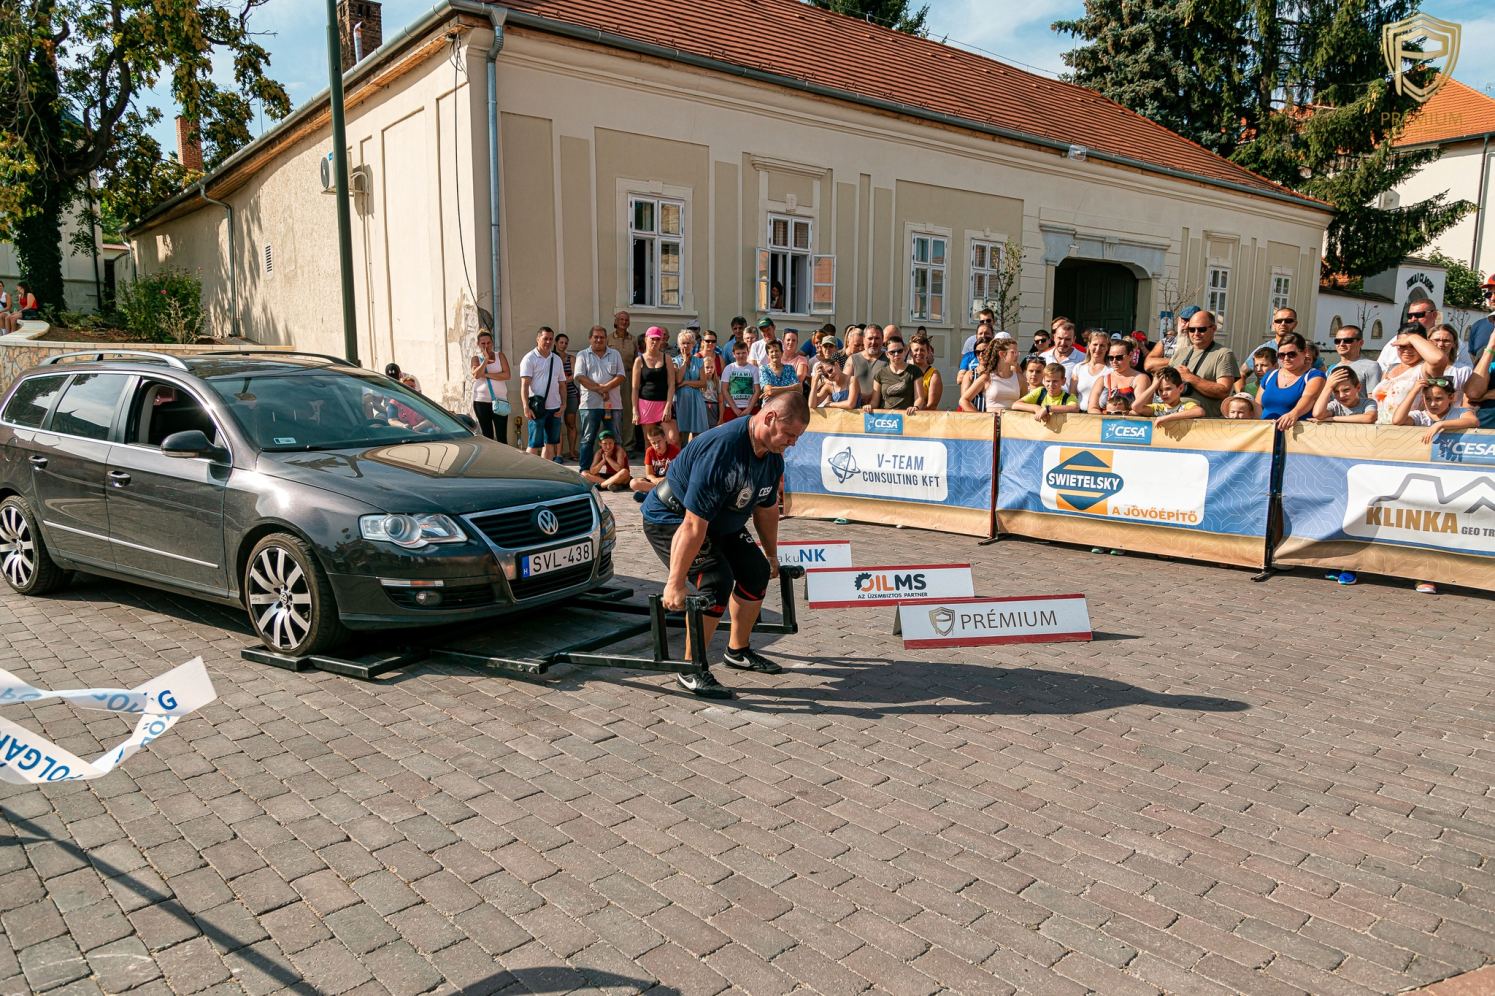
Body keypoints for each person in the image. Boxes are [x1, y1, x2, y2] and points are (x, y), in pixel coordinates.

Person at [640, 390, 811, 698]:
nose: (793, 443)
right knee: (716, 580)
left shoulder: (772, 457)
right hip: (672, 517)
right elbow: (692, 525)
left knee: (756, 571)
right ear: (770, 418)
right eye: (790, 434)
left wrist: (771, 555)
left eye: (797, 437)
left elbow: (766, 509)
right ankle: (691, 669)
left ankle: (737, 650)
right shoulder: (723, 451)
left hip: (718, 519)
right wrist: (675, 583)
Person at [1144, 309, 1238, 417]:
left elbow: (1223, 391)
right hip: (1171, 418)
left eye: (1201, 329)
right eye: (1192, 329)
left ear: (1213, 329)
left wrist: (1190, 378)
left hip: (1202, 421)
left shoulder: (1223, 354)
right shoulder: (1180, 353)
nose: (1196, 333)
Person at [1371, 325, 1448, 425]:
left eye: (1412, 346)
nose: (1407, 350)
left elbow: (1439, 359)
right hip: (1378, 428)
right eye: (1402, 346)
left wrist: (1412, 338)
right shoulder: (1390, 368)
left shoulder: (1424, 369)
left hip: (1408, 430)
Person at [574, 325, 626, 473]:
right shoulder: (582, 355)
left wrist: (606, 388)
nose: (599, 340)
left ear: (606, 339)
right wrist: (600, 389)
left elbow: (621, 376)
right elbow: (580, 377)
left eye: (602, 337)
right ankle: (585, 471)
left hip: (613, 405)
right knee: (587, 439)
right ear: (590, 339)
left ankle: (615, 472)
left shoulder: (615, 354)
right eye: (595, 337)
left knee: (615, 439)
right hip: (590, 405)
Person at [1257, 332, 1325, 431]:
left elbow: (1309, 398)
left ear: (1304, 352)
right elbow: (1257, 405)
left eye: (1291, 354)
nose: (1286, 358)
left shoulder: (1314, 375)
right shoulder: (1270, 375)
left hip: (1296, 434)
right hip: (1266, 434)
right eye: (1281, 355)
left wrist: (1294, 413)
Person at [1381, 301, 1472, 371]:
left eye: (1419, 315)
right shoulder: (1396, 340)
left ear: (1434, 315)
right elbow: (1382, 366)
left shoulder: (1451, 340)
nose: (1413, 319)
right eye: (1410, 315)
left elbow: (1467, 369)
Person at [520, 326, 567, 460]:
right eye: (545, 338)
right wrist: (526, 406)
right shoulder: (529, 358)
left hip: (554, 408)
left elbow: (562, 385)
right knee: (534, 444)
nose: (548, 342)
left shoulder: (556, 359)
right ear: (538, 339)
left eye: (551, 339)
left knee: (550, 444)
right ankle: (530, 471)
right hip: (537, 408)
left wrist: (563, 404)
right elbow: (524, 385)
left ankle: (545, 471)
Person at [633, 326, 677, 446]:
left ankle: (673, 460)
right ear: (646, 339)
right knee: (650, 442)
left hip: (664, 402)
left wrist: (668, 406)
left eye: (658, 339)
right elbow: (635, 388)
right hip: (646, 403)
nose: (655, 342)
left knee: (672, 439)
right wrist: (635, 410)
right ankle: (650, 460)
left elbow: (671, 384)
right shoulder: (639, 360)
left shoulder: (667, 358)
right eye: (652, 339)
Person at [1239, 307, 1302, 389]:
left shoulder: (1304, 348)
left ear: (1295, 324)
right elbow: (1241, 373)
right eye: (1278, 321)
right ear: (1273, 324)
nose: (1283, 324)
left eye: (1288, 321)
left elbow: (1318, 374)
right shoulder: (1264, 349)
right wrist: (1242, 394)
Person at [470, 329, 512, 443]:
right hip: (481, 401)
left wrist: (486, 375)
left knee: (502, 436)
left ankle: (503, 455)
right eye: (483, 343)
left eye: (488, 343)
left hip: (500, 400)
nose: (486, 346)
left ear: (492, 343)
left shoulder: (500, 356)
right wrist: (485, 360)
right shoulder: (476, 359)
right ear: (478, 344)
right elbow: (476, 375)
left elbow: (507, 375)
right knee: (487, 435)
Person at [1088, 338, 1151, 413]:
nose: (1114, 361)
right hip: (1104, 419)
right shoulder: (1102, 380)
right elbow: (1092, 407)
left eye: (1119, 357)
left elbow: (1142, 408)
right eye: (1111, 358)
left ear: (1130, 355)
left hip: (1131, 420)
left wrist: (1119, 417)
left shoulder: (1140, 379)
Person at [960, 338, 1021, 413]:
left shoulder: (1020, 378)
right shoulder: (986, 377)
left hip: (1012, 420)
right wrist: (981, 417)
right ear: (1002, 354)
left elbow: (1024, 404)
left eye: (1017, 352)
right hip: (990, 419)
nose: (1017, 355)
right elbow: (963, 400)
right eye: (1013, 352)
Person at [864, 338, 923, 413]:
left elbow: (919, 398)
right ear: (887, 354)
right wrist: (869, 406)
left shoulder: (915, 371)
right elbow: (875, 401)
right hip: (885, 417)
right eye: (892, 352)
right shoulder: (880, 373)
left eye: (900, 351)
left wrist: (915, 407)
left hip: (907, 416)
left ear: (905, 351)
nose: (896, 354)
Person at [673, 329, 711, 443]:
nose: (686, 346)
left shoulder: (699, 361)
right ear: (679, 345)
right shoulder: (674, 361)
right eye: (683, 343)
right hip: (681, 400)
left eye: (688, 343)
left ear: (693, 344)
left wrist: (686, 383)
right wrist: (684, 361)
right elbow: (678, 380)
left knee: (698, 432)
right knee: (681, 432)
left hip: (696, 399)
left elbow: (703, 383)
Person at [1133, 366, 1203, 426]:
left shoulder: (1186, 406)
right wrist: (1153, 386)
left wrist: (1167, 417)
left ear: (1181, 388)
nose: (1164, 393)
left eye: (1168, 389)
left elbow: (1200, 411)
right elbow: (1136, 407)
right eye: (1160, 390)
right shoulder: (1157, 408)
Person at [1468, 276, 1495, 428]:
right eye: (1489, 294)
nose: (1492, 298)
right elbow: (1473, 390)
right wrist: (1491, 346)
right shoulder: (1479, 326)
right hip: (1484, 421)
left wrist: (1486, 395)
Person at [1325, 325, 1380, 398]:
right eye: (1337, 341)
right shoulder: (1332, 369)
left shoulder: (1371, 366)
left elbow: (1373, 398)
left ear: (1360, 343)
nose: (1341, 344)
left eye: (1347, 341)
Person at [1014, 363, 1081, 423]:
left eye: (1055, 381)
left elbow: (1075, 408)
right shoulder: (1040, 392)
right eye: (1048, 381)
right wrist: (1036, 408)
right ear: (1043, 381)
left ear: (1063, 381)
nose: (1051, 385)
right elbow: (1015, 405)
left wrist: (1048, 409)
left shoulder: (1068, 397)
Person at [609, 310, 638, 447]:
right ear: (616, 321)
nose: (624, 322)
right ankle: (611, 444)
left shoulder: (633, 339)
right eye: (621, 319)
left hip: (628, 377)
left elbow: (637, 359)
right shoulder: (608, 339)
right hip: (611, 378)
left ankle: (628, 445)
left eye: (626, 320)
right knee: (611, 411)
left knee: (628, 411)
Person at [631, 422, 679, 500]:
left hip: (668, 480)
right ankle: (659, 494)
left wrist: (662, 480)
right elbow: (649, 474)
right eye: (653, 443)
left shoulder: (674, 451)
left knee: (676, 484)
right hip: (655, 481)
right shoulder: (649, 451)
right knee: (633, 483)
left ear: (665, 438)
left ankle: (650, 495)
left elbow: (677, 474)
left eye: (659, 441)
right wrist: (655, 480)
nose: (657, 445)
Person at [1310, 367, 1376, 423]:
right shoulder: (1335, 406)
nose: (1341, 396)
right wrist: (1328, 387)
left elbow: (1369, 418)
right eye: (1336, 392)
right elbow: (1317, 414)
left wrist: (1332, 418)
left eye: (1346, 390)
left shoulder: (1368, 403)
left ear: (1358, 387)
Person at [554, 333, 580, 461]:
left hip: (570, 393)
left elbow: (574, 375)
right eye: (561, 342)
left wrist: (562, 381)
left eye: (566, 343)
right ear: (556, 343)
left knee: (571, 423)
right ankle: (556, 453)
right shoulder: (552, 357)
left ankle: (572, 451)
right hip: (555, 395)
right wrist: (562, 380)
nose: (564, 345)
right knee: (556, 425)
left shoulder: (571, 358)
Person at [720, 339, 760, 421]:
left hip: (751, 408)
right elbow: (724, 389)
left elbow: (757, 390)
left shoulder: (754, 369)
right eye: (738, 353)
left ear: (748, 353)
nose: (741, 356)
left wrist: (748, 409)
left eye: (743, 353)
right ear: (733, 354)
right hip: (731, 408)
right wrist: (735, 409)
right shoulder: (728, 368)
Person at [845, 325, 886, 402]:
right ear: (863, 339)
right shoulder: (853, 359)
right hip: (857, 406)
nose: (873, 342)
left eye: (877, 338)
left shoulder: (889, 359)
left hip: (882, 407)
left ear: (883, 339)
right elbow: (844, 384)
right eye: (870, 338)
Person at [809, 336, 853, 408]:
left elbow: (850, 404)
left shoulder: (844, 365)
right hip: (824, 409)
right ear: (821, 348)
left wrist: (830, 404)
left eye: (831, 346)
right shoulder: (818, 366)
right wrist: (815, 381)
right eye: (825, 346)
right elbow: (811, 404)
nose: (827, 349)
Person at [1072, 330, 1111, 411]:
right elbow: (1072, 396)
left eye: (1102, 345)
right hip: (1079, 414)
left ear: (1107, 348)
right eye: (1095, 344)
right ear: (1089, 345)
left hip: (1102, 414)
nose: (1098, 348)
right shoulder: (1078, 367)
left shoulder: (1111, 370)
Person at [909, 338, 943, 410]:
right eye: (916, 350)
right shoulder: (906, 371)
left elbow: (932, 405)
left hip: (923, 415)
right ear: (910, 353)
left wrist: (915, 411)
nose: (919, 353)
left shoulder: (934, 374)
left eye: (922, 350)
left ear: (928, 352)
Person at [699, 331, 723, 427]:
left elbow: (722, 378)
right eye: (707, 341)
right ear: (702, 342)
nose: (710, 343)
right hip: (701, 403)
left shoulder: (719, 358)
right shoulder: (697, 357)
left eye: (713, 341)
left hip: (714, 400)